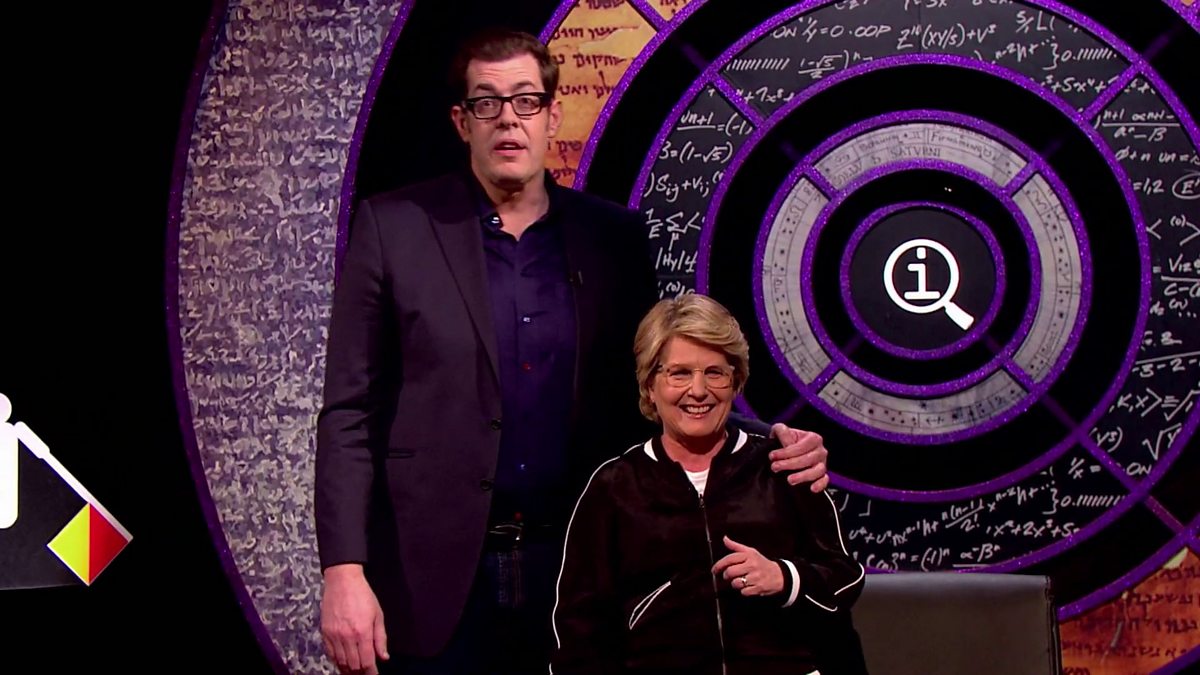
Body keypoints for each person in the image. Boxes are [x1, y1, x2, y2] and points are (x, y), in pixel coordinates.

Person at [315, 28, 832, 675]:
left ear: (552, 115)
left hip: (587, 566)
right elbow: (350, 413)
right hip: (433, 576)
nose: (508, 119)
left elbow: (653, 393)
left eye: (526, 101)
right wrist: (343, 571)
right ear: (461, 121)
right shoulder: (393, 228)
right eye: (487, 102)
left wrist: (768, 443)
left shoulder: (613, 238)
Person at [551, 294, 866, 675]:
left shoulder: (783, 466)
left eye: (715, 373)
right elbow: (580, 631)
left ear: (736, 382)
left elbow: (845, 578)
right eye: (679, 373)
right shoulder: (614, 488)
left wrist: (784, 577)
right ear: (649, 386)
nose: (698, 391)